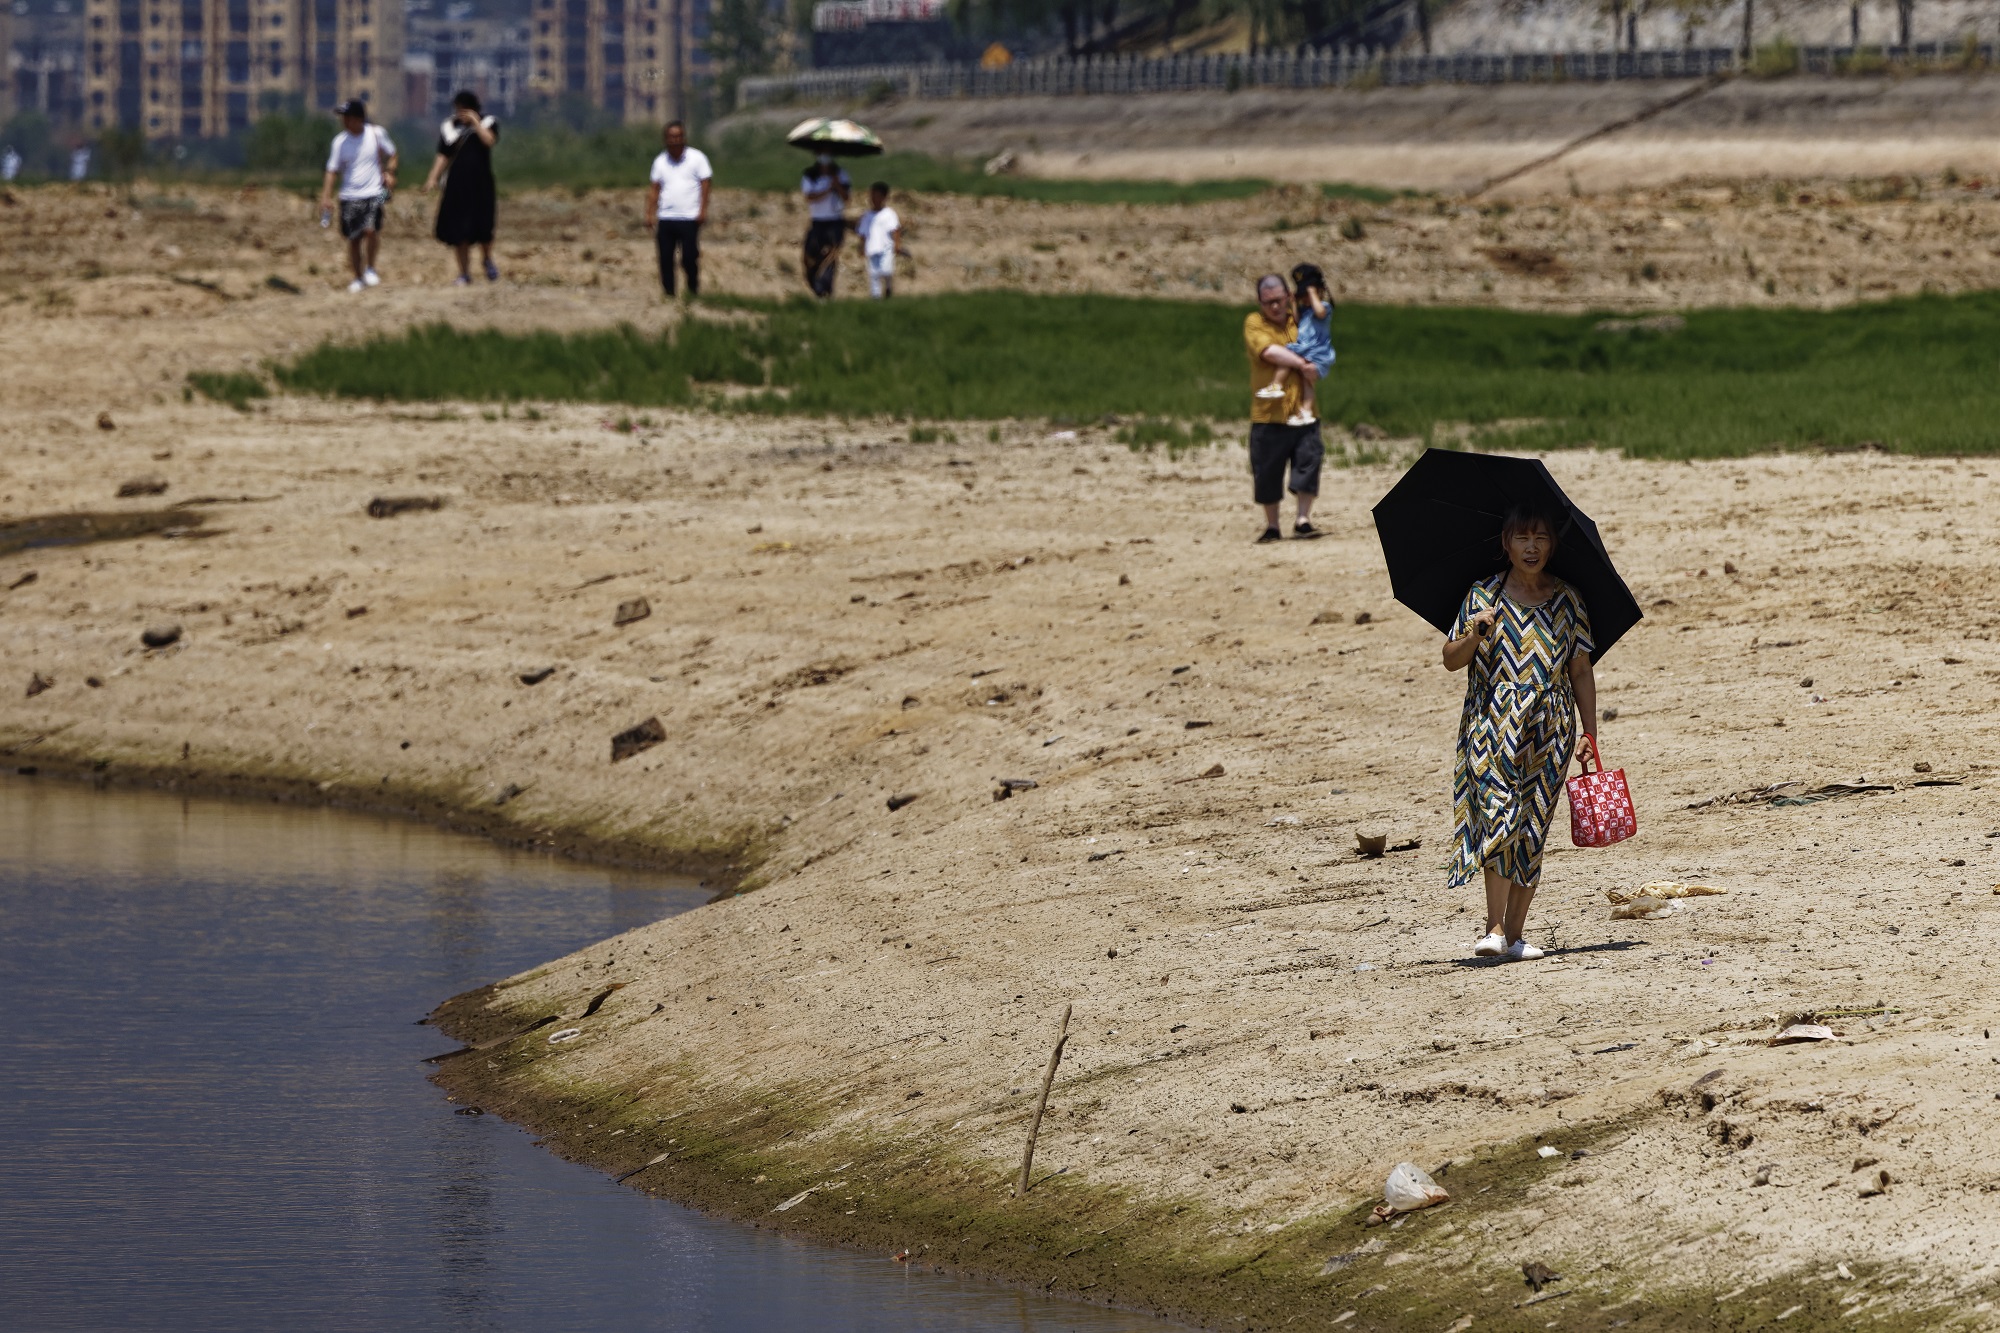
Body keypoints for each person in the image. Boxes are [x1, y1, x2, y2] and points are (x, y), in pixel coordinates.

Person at [1440, 504, 1598, 963]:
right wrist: (1476, 633)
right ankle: (1491, 927)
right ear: (1505, 544)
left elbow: (1581, 670)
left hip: (1551, 724)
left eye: (1542, 538)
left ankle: (1513, 935)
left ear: (1553, 545)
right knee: (1498, 814)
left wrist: (1590, 732)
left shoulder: (1569, 599)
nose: (1532, 547)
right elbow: (1451, 659)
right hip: (1491, 721)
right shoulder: (1482, 596)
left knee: (1532, 826)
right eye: (1523, 538)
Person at [1242, 274, 1322, 543]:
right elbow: (1268, 352)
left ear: (1288, 297)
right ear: (1260, 303)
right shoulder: (1254, 323)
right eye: (1268, 303)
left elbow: (1320, 339)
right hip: (1268, 414)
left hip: (1303, 410)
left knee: (1308, 463)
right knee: (1267, 472)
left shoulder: (1299, 321)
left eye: (1278, 301)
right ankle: (1273, 525)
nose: (1274, 307)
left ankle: (1303, 520)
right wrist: (1302, 362)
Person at [318, 99, 397, 294]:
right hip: (349, 196)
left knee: (371, 230)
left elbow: (393, 154)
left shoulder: (376, 134)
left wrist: (389, 173)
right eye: (343, 117)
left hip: (375, 192)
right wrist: (326, 197)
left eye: (348, 117)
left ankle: (370, 267)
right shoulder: (339, 142)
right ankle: (357, 276)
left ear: (359, 118)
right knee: (353, 238)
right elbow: (332, 170)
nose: (345, 121)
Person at [421, 90, 500, 286]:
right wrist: (432, 178)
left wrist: (475, 123)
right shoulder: (449, 128)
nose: (460, 113)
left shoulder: (488, 122)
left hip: (481, 184)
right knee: (459, 231)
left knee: (484, 227)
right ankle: (464, 273)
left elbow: (489, 141)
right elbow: (443, 155)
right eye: (458, 109)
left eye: (464, 109)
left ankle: (487, 259)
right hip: (457, 185)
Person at [1256, 262, 1334, 427]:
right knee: (1296, 371)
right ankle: (1284, 392)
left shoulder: (1324, 308)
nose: (1306, 300)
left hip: (1317, 353)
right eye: (1303, 296)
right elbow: (1298, 321)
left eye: (1308, 295)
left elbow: (1319, 311)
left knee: (1301, 375)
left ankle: (1285, 392)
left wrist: (1312, 292)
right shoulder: (1306, 311)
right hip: (1305, 349)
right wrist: (1294, 303)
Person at [645, 121, 711, 299]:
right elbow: (654, 189)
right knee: (665, 259)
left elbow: (705, 185)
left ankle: (692, 290)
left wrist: (702, 210)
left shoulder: (697, 158)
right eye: (671, 137)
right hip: (666, 216)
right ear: (665, 139)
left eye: (678, 136)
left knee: (689, 258)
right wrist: (649, 213)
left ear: (684, 138)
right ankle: (669, 294)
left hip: (689, 217)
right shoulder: (660, 161)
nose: (675, 141)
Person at [800, 152, 850, 298]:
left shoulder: (840, 174)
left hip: (835, 220)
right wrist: (827, 189)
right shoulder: (810, 175)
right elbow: (809, 196)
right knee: (809, 256)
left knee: (830, 256)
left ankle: (824, 289)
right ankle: (814, 284)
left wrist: (837, 185)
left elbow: (847, 197)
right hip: (818, 221)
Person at [854, 181, 901, 300]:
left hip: (886, 247)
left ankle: (888, 287)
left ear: (884, 197)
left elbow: (895, 230)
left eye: (877, 196)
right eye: (872, 196)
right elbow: (863, 233)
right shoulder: (866, 215)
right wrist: (861, 247)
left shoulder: (889, 214)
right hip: (872, 248)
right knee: (874, 274)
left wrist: (896, 244)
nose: (874, 199)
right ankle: (876, 297)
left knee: (886, 270)